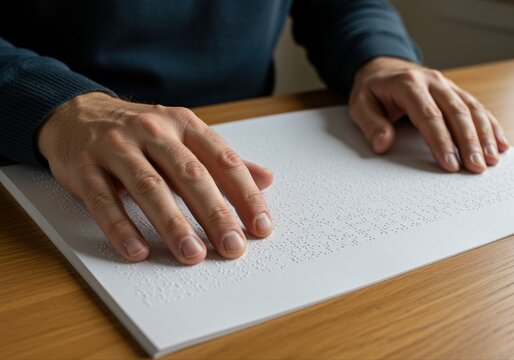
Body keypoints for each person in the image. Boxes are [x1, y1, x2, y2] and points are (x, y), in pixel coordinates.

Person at [0, 1, 508, 266]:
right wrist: (55, 104)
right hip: (40, 146)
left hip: (249, 126)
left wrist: (380, 55)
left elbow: (341, 4)